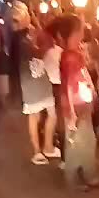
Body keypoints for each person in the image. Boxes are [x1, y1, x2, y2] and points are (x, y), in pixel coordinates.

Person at [11, 1, 59, 165]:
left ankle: (48, 147)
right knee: (35, 115)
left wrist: (37, 26)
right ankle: (37, 151)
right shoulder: (19, 38)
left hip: (40, 77)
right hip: (30, 79)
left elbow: (41, 38)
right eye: (26, 15)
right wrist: (43, 47)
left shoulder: (26, 34)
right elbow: (35, 53)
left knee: (51, 112)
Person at [59, 15, 99, 189]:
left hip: (81, 103)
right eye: (80, 28)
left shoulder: (74, 54)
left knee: (87, 139)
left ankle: (87, 173)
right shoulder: (70, 57)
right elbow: (70, 85)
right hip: (76, 105)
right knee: (77, 142)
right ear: (74, 32)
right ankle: (74, 178)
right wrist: (71, 111)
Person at [44, 19, 66, 164]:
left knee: (52, 116)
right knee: (57, 118)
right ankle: (51, 147)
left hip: (48, 85)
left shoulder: (48, 51)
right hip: (58, 86)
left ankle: (49, 145)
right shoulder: (59, 52)